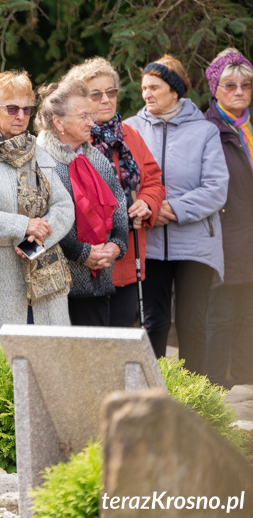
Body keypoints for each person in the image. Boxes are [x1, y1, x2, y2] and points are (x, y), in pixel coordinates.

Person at [125, 55, 228, 374]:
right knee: (153, 321)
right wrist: (148, 208)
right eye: (143, 87)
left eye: (154, 87)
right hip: (150, 242)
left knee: (192, 324)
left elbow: (216, 188)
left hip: (195, 244)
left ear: (175, 89)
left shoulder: (205, 131)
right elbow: (122, 180)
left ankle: (195, 403)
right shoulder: (129, 128)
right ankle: (154, 400)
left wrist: (174, 209)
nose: (146, 94)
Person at [0, 71, 74, 358]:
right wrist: (23, 225)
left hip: (43, 284)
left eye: (27, 109)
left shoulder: (38, 150)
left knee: (45, 374)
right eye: (12, 108)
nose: (21, 116)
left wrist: (33, 243)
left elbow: (64, 208)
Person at [63, 58, 165, 327]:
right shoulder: (74, 140)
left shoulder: (130, 135)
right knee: (91, 345)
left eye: (112, 92)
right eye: (96, 94)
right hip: (89, 258)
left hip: (128, 255)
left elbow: (153, 179)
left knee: (122, 338)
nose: (106, 99)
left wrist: (146, 202)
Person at [35, 80, 128, 326]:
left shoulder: (95, 157)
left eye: (91, 115)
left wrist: (117, 245)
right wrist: (82, 252)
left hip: (98, 282)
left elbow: (118, 205)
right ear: (59, 122)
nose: (92, 122)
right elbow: (40, 222)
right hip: (53, 286)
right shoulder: (38, 159)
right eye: (84, 116)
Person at [202, 48, 253, 388]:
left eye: (246, 85)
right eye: (230, 85)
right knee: (220, 317)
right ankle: (215, 393)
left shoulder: (250, 127)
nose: (239, 91)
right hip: (222, 238)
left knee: (249, 318)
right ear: (214, 89)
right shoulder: (207, 131)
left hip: (248, 238)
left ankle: (248, 391)